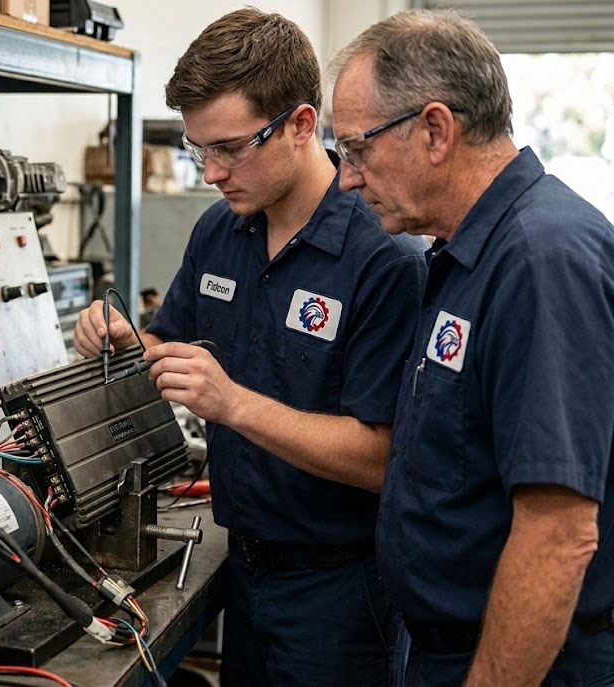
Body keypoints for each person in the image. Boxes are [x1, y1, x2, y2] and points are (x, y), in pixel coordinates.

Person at [74, 9, 427, 686]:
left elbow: (384, 457)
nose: (211, 172)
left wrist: (233, 403)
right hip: (244, 569)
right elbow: (168, 345)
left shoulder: (382, 256)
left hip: (342, 594)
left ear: (300, 125)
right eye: (197, 149)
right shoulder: (219, 230)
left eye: (231, 148)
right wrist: (126, 338)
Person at [330, 10, 614, 687]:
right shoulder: (464, 255)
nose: (346, 178)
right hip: (441, 644)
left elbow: (558, 534)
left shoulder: (542, 260)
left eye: (356, 150)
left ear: (434, 130)